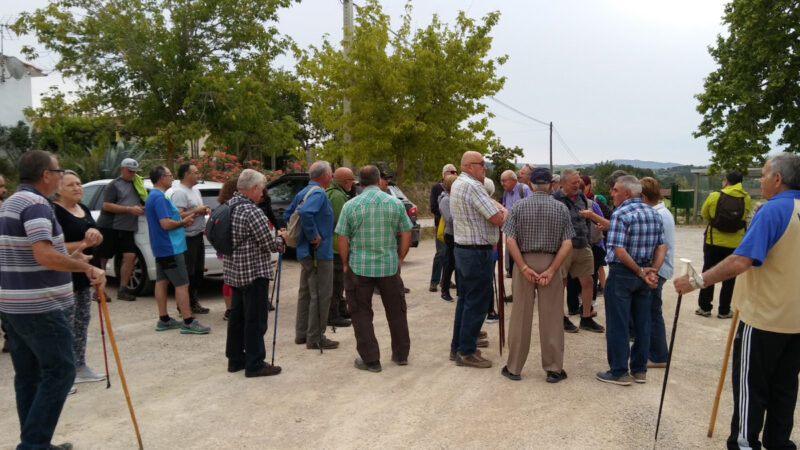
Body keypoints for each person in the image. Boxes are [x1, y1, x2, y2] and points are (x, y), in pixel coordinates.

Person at [675, 153, 800, 449]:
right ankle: (779, 442)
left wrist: (697, 281)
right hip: (795, 320)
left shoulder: (773, 211)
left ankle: (744, 443)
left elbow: (742, 260)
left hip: (764, 317)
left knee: (750, 389)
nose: (760, 179)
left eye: (765, 174)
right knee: (785, 387)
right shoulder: (786, 209)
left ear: (778, 179)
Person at [0, 150, 107, 450]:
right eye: (59, 171)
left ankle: (35, 441)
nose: (61, 176)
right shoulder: (36, 205)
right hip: (40, 305)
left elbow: (32, 254)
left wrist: (73, 256)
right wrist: (87, 267)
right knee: (61, 371)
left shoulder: (11, 203)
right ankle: (33, 445)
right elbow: (43, 254)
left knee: (29, 376)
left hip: (14, 304)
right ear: (46, 175)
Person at [336, 165, 413, 372]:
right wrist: (400, 257)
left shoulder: (351, 205)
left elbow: (342, 237)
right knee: (396, 311)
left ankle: (371, 360)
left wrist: (345, 263)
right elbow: (407, 230)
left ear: (359, 183)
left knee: (361, 312)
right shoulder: (394, 204)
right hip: (388, 266)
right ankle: (401, 354)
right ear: (379, 180)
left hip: (360, 267)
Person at [501, 167, 574, 383]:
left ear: (531, 185)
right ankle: (553, 369)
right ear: (551, 185)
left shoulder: (518, 207)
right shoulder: (561, 208)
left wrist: (523, 267)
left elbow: (510, 240)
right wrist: (552, 270)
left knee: (520, 316)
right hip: (552, 261)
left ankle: (514, 367)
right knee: (552, 316)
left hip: (524, 262)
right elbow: (567, 243)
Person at [596, 175, 665, 386]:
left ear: (627, 193)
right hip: (645, 272)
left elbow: (618, 248)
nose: (612, 193)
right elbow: (662, 246)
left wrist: (639, 271)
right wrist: (653, 270)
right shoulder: (654, 214)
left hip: (624, 273)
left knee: (618, 324)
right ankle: (639, 369)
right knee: (642, 322)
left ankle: (618, 371)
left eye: (615, 190)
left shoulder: (621, 214)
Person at [225, 169, 288, 377]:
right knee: (255, 319)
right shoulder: (252, 211)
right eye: (261, 188)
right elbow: (269, 243)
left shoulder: (229, 205)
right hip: (253, 272)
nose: (263, 193)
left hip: (234, 271)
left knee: (237, 317)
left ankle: (235, 359)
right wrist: (282, 239)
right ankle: (255, 363)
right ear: (253, 188)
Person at [449, 151, 506, 369]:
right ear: (469, 166)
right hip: (476, 252)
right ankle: (467, 351)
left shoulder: (460, 183)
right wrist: (503, 210)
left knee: (465, 301)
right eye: (482, 164)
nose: (485, 167)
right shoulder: (473, 186)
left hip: (464, 250)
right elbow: (498, 218)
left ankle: (459, 346)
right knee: (477, 303)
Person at [54, 170, 107, 385]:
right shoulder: (54, 212)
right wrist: (85, 243)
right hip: (65, 276)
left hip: (87, 274)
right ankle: (64, 370)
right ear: (59, 190)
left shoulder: (83, 209)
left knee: (82, 321)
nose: (77, 188)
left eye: (79, 183)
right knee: (64, 324)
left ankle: (80, 364)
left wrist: (96, 236)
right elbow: (53, 248)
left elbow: (98, 236)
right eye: (71, 185)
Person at [144, 166, 210, 335]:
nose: (172, 178)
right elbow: (165, 223)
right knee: (182, 284)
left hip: (162, 246)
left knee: (162, 281)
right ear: (160, 178)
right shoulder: (159, 198)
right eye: (169, 175)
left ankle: (164, 318)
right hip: (170, 246)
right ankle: (188, 321)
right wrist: (183, 222)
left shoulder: (155, 196)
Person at [283, 161, 338, 351]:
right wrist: (313, 235)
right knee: (321, 294)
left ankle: (302, 333)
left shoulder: (304, 192)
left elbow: (288, 213)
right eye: (330, 174)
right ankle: (315, 337)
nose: (331, 177)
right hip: (319, 253)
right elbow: (306, 212)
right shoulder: (319, 193)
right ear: (323, 175)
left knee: (306, 292)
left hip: (304, 251)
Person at [552, 168, 605, 333]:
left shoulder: (581, 196)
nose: (577, 185)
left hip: (583, 245)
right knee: (561, 283)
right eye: (573, 183)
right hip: (564, 247)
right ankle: (560, 318)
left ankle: (586, 317)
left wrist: (589, 237)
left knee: (588, 281)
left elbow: (585, 219)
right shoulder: (554, 199)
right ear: (562, 183)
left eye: (578, 182)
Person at [696, 171, 752, 319]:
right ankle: (724, 310)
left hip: (713, 240)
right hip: (735, 243)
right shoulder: (746, 198)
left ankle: (704, 307)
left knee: (708, 271)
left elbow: (704, 213)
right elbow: (744, 215)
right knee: (730, 276)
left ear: (726, 182)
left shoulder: (715, 196)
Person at [95, 158, 144, 301]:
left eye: (135, 172)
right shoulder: (113, 185)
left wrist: (142, 208)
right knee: (103, 258)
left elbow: (141, 200)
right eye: (130, 171)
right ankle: (99, 291)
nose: (133, 174)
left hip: (127, 228)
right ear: (122, 169)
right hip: (109, 226)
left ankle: (122, 289)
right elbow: (106, 206)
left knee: (130, 256)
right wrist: (129, 209)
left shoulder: (138, 184)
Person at [638, 177, 674, 369]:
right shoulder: (661, 211)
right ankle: (654, 351)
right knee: (650, 310)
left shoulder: (658, 215)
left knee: (652, 311)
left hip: (656, 270)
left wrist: (652, 271)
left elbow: (662, 247)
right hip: (657, 269)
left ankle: (659, 355)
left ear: (643, 196)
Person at [170, 163, 212, 314]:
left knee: (198, 271)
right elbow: (177, 215)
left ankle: (193, 301)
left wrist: (203, 210)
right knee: (188, 273)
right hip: (187, 237)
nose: (199, 175)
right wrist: (196, 210)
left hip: (198, 235)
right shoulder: (179, 193)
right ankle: (183, 306)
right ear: (187, 174)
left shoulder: (194, 191)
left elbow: (195, 210)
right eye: (196, 172)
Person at [326, 167, 355, 328]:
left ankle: (341, 309)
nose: (353, 183)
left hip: (334, 244)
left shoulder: (333, 193)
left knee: (340, 282)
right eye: (351, 180)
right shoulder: (337, 196)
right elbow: (341, 222)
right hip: (336, 246)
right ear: (345, 182)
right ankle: (333, 315)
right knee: (336, 282)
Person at [429, 164, 458, 292]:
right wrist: (445, 215)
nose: (455, 173)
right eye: (452, 171)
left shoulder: (456, 188)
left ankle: (445, 280)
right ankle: (434, 282)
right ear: (445, 173)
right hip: (441, 225)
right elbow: (433, 207)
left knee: (450, 255)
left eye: (456, 172)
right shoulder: (436, 188)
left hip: (452, 229)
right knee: (441, 253)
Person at [500, 169, 532, 278]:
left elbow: (532, 208)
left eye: (505, 181)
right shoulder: (505, 192)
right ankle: (515, 292)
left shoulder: (524, 189)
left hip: (523, 232)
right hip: (510, 231)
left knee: (523, 260)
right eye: (501, 181)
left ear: (513, 180)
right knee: (513, 260)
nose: (502, 183)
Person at [217, 177, 239, 321]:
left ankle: (228, 309)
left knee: (227, 278)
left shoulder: (222, 206)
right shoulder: (235, 207)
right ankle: (233, 309)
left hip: (222, 246)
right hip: (233, 247)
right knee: (234, 280)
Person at [439, 174, 458, 302]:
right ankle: (444, 290)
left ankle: (460, 290)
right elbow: (449, 219)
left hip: (458, 235)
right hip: (450, 235)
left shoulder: (455, 198)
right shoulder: (445, 200)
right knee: (449, 263)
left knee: (458, 264)